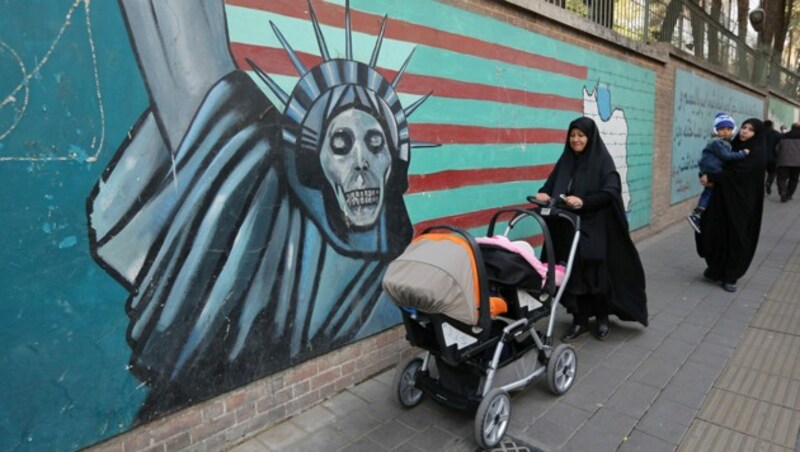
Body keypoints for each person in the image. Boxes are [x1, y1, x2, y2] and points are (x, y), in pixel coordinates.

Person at [535, 117, 648, 341]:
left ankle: (602, 317)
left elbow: (611, 190)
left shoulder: (602, 161)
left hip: (594, 228)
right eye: (573, 135)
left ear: (590, 137)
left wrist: (584, 202)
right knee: (572, 275)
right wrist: (543, 193)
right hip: (568, 228)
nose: (576, 139)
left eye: (581, 135)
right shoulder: (566, 161)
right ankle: (580, 320)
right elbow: (549, 186)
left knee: (595, 273)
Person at [696, 118, 766, 293]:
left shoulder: (757, 153)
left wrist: (712, 178)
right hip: (720, 201)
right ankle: (716, 269)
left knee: (736, 238)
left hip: (742, 205)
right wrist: (704, 174)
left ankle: (730, 276)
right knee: (713, 232)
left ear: (756, 134)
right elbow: (713, 162)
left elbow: (737, 175)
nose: (744, 131)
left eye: (750, 130)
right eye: (744, 127)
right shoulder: (730, 146)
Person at [687, 113, 747, 233]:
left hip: (711, 169)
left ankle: (698, 214)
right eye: (722, 129)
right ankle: (696, 214)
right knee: (709, 192)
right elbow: (725, 156)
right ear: (716, 130)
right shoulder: (717, 143)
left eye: (729, 129)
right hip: (713, 169)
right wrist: (743, 154)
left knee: (708, 192)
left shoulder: (725, 142)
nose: (726, 132)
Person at [775, 122, 800, 202]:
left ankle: (783, 191)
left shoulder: (783, 136)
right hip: (797, 163)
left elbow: (777, 149)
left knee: (781, 178)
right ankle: (789, 194)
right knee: (794, 179)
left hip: (783, 161)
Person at [763, 120, 782, 195]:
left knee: (761, 173)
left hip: (761, 157)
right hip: (772, 158)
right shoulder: (777, 134)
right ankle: (768, 183)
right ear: (771, 125)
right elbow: (780, 146)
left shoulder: (759, 133)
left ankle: (759, 188)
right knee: (772, 173)